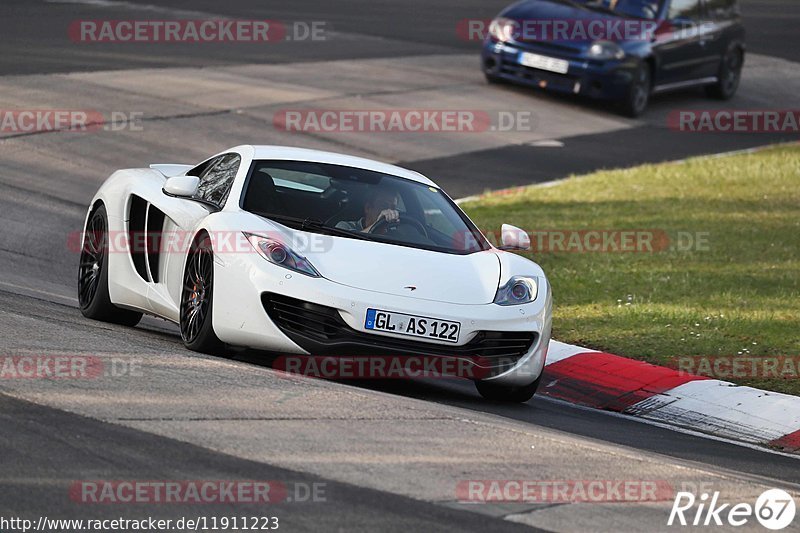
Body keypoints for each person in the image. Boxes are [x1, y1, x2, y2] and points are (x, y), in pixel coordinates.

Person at [336, 188, 400, 232]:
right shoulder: (344, 227)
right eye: (383, 206)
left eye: (393, 208)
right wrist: (377, 225)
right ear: (368, 208)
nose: (389, 211)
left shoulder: (394, 235)